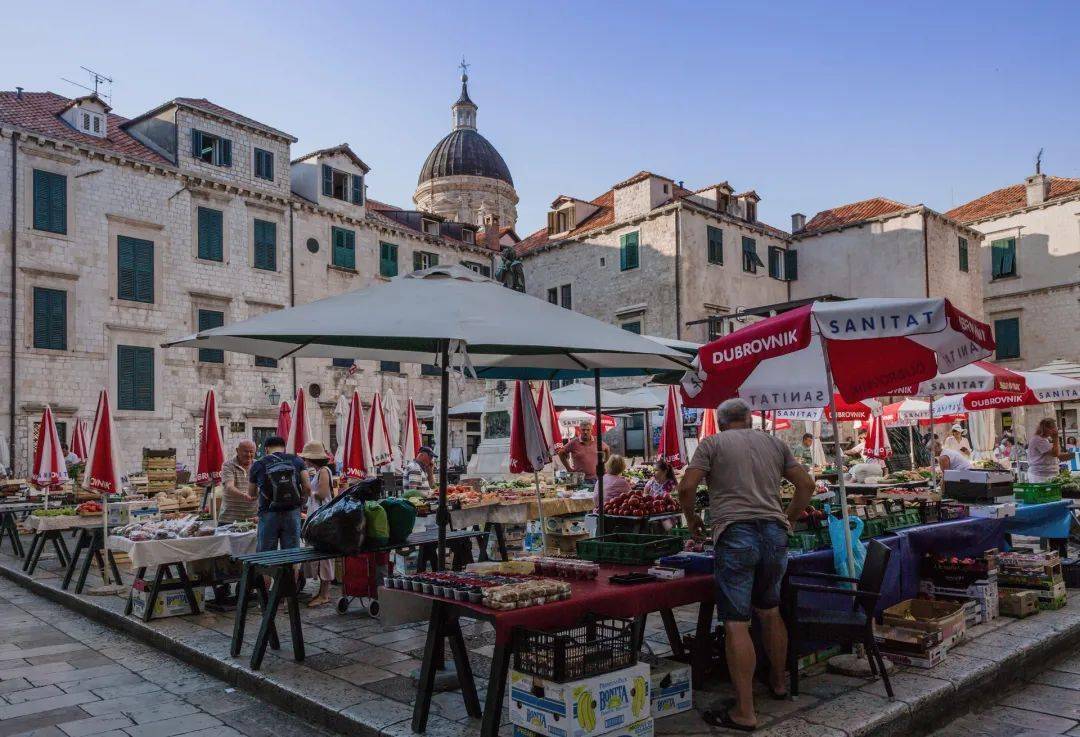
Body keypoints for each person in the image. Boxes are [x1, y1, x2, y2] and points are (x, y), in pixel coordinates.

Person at [676, 399, 815, 731]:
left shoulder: (712, 443)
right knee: (769, 609)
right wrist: (789, 519)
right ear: (749, 419)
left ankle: (745, 711)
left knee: (737, 621)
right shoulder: (774, 442)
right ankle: (779, 684)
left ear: (722, 422)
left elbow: (686, 486)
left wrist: (693, 518)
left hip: (735, 531)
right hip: (773, 531)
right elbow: (807, 485)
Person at [249, 435, 311, 553]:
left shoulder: (258, 464)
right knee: (292, 553)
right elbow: (307, 488)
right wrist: (300, 501)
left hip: (267, 512)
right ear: (284, 448)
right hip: (292, 512)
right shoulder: (297, 460)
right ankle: (290, 571)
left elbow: (251, 493)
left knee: (266, 554)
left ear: (266, 449)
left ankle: (267, 572)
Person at [299, 441, 335, 607]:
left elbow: (322, 494)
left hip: (322, 520)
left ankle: (325, 594)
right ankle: (322, 592)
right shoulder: (320, 472)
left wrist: (308, 491)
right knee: (320, 555)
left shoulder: (323, 472)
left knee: (323, 557)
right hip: (319, 518)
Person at [220, 440, 258, 524]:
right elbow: (229, 486)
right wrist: (244, 495)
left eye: (251, 452)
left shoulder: (258, 465)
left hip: (253, 518)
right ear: (237, 450)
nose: (248, 455)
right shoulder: (228, 465)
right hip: (229, 519)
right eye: (245, 451)